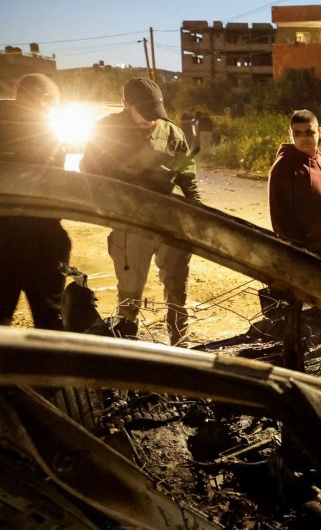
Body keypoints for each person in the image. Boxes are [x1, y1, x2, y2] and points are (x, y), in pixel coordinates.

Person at [81, 77, 199, 345]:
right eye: (144, 112)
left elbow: (187, 176)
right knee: (129, 295)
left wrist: (195, 207)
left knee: (177, 291)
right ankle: (126, 348)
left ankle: (180, 346)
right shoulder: (105, 131)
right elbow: (90, 175)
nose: (152, 119)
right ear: (126, 105)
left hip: (170, 223)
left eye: (155, 112)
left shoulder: (172, 132)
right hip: (130, 226)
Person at [0, 73, 70, 330]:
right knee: (49, 320)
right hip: (41, 238)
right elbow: (56, 180)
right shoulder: (44, 132)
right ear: (44, 99)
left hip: (3, 234)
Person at [267, 109, 321, 258]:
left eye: (309, 132)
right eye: (297, 133)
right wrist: (300, 254)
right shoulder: (283, 168)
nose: (304, 138)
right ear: (290, 134)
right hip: (307, 254)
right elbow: (281, 220)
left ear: (319, 132)